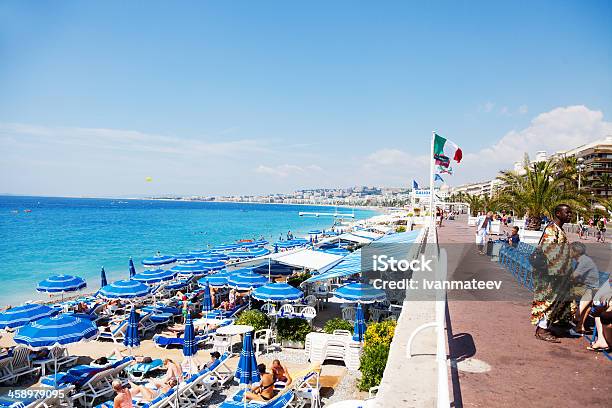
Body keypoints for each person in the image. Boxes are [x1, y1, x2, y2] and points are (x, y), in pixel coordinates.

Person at [531, 204, 574, 343]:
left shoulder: (558, 229)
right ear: (558, 213)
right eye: (567, 213)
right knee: (548, 301)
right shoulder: (551, 230)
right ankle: (541, 330)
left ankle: (549, 325)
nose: (569, 215)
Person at [569, 242, 600, 335]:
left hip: (591, 290)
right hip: (586, 288)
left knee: (577, 313)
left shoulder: (584, 261)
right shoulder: (581, 260)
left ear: (576, 252)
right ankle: (579, 326)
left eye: (570, 250)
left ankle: (575, 322)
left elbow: (573, 277)